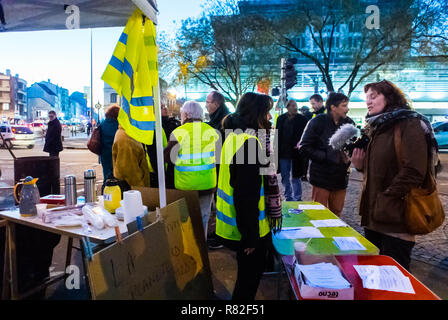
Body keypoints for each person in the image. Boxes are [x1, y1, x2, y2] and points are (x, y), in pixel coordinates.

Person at [351, 80, 440, 271]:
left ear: (389, 97)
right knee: (374, 275)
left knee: (394, 278)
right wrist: (360, 165)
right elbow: (380, 168)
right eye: (366, 98)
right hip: (374, 217)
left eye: (374, 96)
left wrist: (387, 197)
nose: (368, 102)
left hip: (397, 220)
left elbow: (415, 171)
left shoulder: (410, 124)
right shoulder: (377, 128)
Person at [216, 92, 273, 300]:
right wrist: (250, 236)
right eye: (266, 113)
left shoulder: (234, 137)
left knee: (245, 281)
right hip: (246, 230)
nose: (268, 118)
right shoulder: (249, 143)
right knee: (247, 285)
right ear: (257, 114)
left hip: (233, 225)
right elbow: (245, 195)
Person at [164, 101, 219, 238]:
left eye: (182, 113)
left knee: (186, 220)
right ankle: (202, 247)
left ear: (187, 114)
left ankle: (190, 249)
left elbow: (167, 157)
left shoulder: (179, 132)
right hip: (207, 184)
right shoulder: (212, 131)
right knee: (204, 218)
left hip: (185, 186)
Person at [298, 92, 354, 217]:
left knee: (337, 214)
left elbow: (351, 147)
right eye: (344, 105)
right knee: (319, 214)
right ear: (333, 107)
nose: (347, 109)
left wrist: (349, 157)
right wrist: (326, 156)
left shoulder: (349, 124)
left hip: (341, 177)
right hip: (321, 176)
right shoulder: (317, 122)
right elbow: (304, 147)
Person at [205, 90, 230, 249]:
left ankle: (223, 235)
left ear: (216, 104)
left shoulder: (224, 120)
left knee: (222, 200)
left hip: (223, 167)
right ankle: (220, 231)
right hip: (218, 165)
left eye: (208, 101)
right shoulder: (217, 119)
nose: (206, 104)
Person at [275, 99, 308, 201]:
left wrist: (301, 144)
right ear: (287, 107)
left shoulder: (302, 119)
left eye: (296, 105)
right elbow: (277, 135)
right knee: (285, 176)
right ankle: (288, 196)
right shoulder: (281, 119)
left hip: (296, 153)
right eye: (293, 106)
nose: (295, 107)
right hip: (283, 152)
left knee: (296, 176)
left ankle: (297, 197)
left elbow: (306, 135)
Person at [99, 104, 119, 184]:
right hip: (116, 153)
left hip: (104, 153)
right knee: (117, 176)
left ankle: (106, 189)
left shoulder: (103, 124)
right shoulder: (118, 125)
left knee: (106, 174)